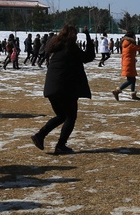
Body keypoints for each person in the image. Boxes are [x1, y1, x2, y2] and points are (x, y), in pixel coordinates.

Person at [31, 25, 95, 155]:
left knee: (61, 116)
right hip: (65, 88)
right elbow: (88, 57)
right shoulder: (70, 47)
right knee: (71, 117)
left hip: (51, 88)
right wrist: (88, 36)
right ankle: (60, 145)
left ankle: (40, 135)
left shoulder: (56, 46)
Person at [112, 31, 140, 100]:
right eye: (134, 36)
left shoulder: (126, 43)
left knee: (133, 79)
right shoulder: (130, 45)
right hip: (129, 64)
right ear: (131, 37)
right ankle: (117, 91)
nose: (135, 37)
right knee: (130, 80)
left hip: (127, 63)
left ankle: (133, 94)